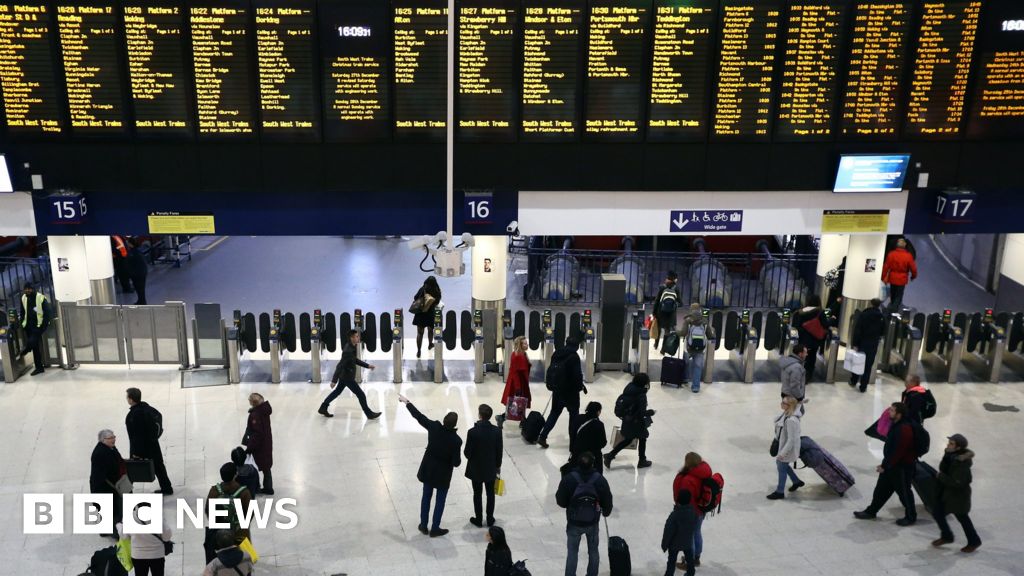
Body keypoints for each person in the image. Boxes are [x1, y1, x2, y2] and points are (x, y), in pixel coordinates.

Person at [399, 394, 462, 537]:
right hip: (443, 476)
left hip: (428, 470)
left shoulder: (434, 427)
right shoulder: (456, 440)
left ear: (444, 420)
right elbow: (456, 463)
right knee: (440, 501)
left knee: (426, 497)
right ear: (455, 424)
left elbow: (419, 416)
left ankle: (423, 524)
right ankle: (435, 528)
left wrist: (407, 402)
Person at [854, 402, 918, 525]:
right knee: (881, 489)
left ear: (899, 414)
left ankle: (911, 516)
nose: (889, 412)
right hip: (891, 464)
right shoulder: (896, 424)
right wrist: (886, 464)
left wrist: (886, 465)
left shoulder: (904, 429)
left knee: (904, 493)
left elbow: (899, 451)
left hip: (902, 467)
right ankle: (871, 511)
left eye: (892, 411)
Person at [556, 452, 614, 576]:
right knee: (593, 551)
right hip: (592, 523)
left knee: (572, 552)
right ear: (593, 463)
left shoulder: (569, 478)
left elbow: (560, 501)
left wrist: (570, 505)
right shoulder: (600, 480)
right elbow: (608, 500)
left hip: (573, 522)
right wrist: (606, 512)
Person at [931, 433, 981, 553]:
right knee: (937, 512)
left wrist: (941, 476)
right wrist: (946, 455)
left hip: (958, 496)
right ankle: (947, 536)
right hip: (946, 493)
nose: (948, 445)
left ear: (958, 448)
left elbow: (957, 483)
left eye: (951, 443)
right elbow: (943, 468)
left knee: (963, 518)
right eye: (949, 442)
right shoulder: (950, 455)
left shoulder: (962, 464)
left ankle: (974, 541)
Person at [538, 336, 587, 449]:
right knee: (573, 415)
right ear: (577, 346)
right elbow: (577, 375)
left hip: (557, 390)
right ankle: (573, 442)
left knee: (554, 413)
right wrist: (579, 387)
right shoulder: (574, 357)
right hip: (571, 393)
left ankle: (543, 436)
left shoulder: (557, 353)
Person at [319, 330, 381, 419]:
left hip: (345, 375)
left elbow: (354, 360)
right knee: (361, 394)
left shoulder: (352, 346)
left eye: (358, 336)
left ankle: (323, 407)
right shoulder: (348, 350)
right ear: (351, 338)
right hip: (347, 377)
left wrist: (367, 366)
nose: (358, 338)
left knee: (337, 392)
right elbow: (340, 365)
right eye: (356, 336)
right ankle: (369, 414)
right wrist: (334, 380)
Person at [125, 387, 173, 494]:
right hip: (153, 445)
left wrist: (136, 452)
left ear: (131, 399)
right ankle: (167, 488)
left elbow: (136, 436)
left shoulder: (134, 415)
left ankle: (127, 492)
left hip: (142, 449)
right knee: (159, 467)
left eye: (127, 397)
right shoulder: (147, 408)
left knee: (132, 470)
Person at [604, 373, 654, 470]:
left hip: (628, 420)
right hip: (637, 422)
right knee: (642, 438)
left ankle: (610, 455)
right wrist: (651, 412)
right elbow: (642, 413)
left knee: (628, 439)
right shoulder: (641, 394)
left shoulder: (629, 389)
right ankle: (642, 461)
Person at [672, 453, 712, 571]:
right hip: (701, 509)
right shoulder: (705, 472)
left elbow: (685, 498)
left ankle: (690, 561)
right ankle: (696, 557)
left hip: (690, 511)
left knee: (690, 536)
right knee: (697, 532)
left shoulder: (688, 480)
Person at [465, 404, 503, 528]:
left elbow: (467, 453)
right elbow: (499, 451)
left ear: (480, 415)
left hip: (475, 469)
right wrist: (497, 466)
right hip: (491, 469)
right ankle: (490, 518)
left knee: (477, 494)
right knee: (490, 494)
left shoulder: (472, 432)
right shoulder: (497, 432)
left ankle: (478, 518)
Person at [206, 463, 253, 546]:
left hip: (221, 534)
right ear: (235, 474)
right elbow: (250, 513)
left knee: (224, 554)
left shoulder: (214, 491)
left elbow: (208, 510)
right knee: (245, 554)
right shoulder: (244, 492)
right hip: (240, 532)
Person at [90, 429, 125, 538]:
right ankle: (115, 533)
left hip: (111, 484)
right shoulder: (100, 453)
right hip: (104, 487)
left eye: (114, 437)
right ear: (102, 440)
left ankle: (106, 530)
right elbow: (103, 474)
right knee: (111, 509)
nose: (113, 439)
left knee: (112, 508)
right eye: (110, 438)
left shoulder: (110, 448)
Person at [767, 396, 804, 500]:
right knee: (782, 466)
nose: (781, 404)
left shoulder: (791, 420)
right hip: (784, 446)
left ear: (789, 406)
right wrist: (800, 403)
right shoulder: (787, 414)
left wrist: (782, 454)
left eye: (783, 403)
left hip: (788, 449)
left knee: (781, 467)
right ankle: (796, 481)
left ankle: (780, 492)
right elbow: (797, 406)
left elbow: (791, 440)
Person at [849, 298, 886, 392]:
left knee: (858, 362)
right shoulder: (881, 316)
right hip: (873, 344)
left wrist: (855, 343)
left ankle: (854, 380)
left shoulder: (864, 314)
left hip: (862, 342)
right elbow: (883, 331)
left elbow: (858, 330)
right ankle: (863, 386)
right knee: (868, 365)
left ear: (870, 303)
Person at [128, 503, 172, 576]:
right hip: (157, 554)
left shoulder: (130, 517)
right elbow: (167, 536)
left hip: (138, 555)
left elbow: (124, 536)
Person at [497, 336, 531, 429]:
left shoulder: (522, 354)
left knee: (519, 403)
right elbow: (515, 372)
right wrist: (518, 388)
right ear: (519, 345)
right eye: (524, 343)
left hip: (522, 383)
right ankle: (502, 417)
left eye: (526, 342)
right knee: (515, 403)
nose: (527, 344)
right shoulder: (517, 356)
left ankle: (523, 421)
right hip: (518, 384)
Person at [794, 295, 829, 383]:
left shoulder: (800, 312)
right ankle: (808, 376)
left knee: (802, 356)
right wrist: (832, 320)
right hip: (814, 339)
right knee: (812, 357)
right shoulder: (820, 312)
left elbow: (796, 326)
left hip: (803, 339)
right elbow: (825, 324)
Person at [662, 489, 698, 576]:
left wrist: (664, 545)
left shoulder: (674, 516)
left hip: (674, 545)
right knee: (690, 560)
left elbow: (668, 531)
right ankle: (690, 573)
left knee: (671, 562)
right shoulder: (693, 513)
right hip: (688, 542)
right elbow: (694, 526)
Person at [18, 283, 52, 375]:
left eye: (29, 289)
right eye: (26, 289)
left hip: (38, 325)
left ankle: (26, 350)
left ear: (33, 289)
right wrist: (22, 323)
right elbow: (22, 311)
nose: (27, 290)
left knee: (31, 342)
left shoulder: (40, 297)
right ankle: (39, 367)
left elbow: (48, 313)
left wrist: (43, 326)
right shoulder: (23, 298)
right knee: (35, 347)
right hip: (28, 326)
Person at [243, 393, 273, 495]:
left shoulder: (255, 415)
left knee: (255, 467)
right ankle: (268, 487)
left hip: (259, 446)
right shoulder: (264, 410)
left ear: (253, 403)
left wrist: (249, 448)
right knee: (266, 467)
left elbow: (257, 434)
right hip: (267, 443)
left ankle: (256, 487)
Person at [570, 402, 607, 475]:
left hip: (577, 453)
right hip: (594, 455)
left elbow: (572, 434)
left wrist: (572, 449)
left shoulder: (578, 418)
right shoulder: (599, 424)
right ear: (598, 411)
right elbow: (603, 442)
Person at [882, 238, 917, 311]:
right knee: (899, 296)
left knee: (893, 294)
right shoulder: (908, 256)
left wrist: (883, 277)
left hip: (892, 278)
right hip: (902, 279)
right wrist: (913, 276)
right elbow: (913, 268)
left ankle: (891, 308)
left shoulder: (891, 254)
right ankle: (893, 310)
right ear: (904, 245)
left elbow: (886, 266)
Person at [678, 303, 707, 393]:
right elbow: (710, 334)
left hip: (688, 348)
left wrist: (675, 331)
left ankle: (685, 378)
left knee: (686, 362)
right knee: (697, 367)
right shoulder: (704, 321)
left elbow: (683, 333)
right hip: (701, 349)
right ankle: (695, 387)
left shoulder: (688, 321)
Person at [412, 276, 442, 358]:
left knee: (419, 333)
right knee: (430, 330)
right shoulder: (436, 291)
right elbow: (438, 301)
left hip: (420, 314)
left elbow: (415, 297)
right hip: (430, 314)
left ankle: (419, 351)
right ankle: (430, 344)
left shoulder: (423, 289)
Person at [653, 271, 681, 349]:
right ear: (675, 280)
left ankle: (656, 345)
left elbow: (657, 301)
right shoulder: (676, 289)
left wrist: (654, 312)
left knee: (658, 329)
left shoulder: (662, 287)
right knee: (667, 331)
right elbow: (680, 303)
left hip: (660, 312)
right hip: (671, 314)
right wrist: (675, 305)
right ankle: (663, 349)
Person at [125, 238, 149, 305]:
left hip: (137, 274)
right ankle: (141, 301)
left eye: (128, 243)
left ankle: (142, 302)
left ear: (130, 244)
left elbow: (129, 263)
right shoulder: (137, 251)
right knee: (140, 288)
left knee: (139, 288)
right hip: (141, 272)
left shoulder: (132, 253)